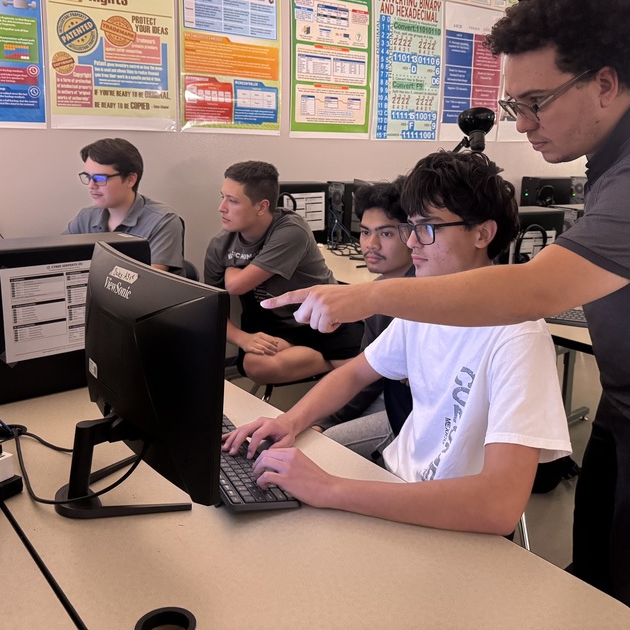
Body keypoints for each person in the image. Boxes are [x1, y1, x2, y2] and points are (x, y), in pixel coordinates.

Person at [263, 0, 630, 630]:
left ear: (604, 81)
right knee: (595, 566)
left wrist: (368, 299)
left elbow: (534, 290)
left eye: (535, 103)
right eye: (515, 104)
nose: (524, 124)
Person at [224, 151, 572, 534]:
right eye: (410, 227)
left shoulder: (517, 335)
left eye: (427, 228)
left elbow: (497, 506)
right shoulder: (425, 306)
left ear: (482, 233)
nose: (412, 242)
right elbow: (355, 373)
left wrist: (331, 488)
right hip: (395, 485)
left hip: (448, 521)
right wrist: (288, 422)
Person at [204, 161, 363, 386]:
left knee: (361, 387)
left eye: (233, 201)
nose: (222, 207)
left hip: (325, 319)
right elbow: (213, 312)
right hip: (279, 327)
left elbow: (236, 286)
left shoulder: (290, 230)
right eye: (223, 197)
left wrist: (231, 271)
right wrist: (244, 339)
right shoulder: (219, 246)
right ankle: (331, 362)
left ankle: (335, 360)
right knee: (254, 364)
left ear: (261, 207)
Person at [315, 179, 414, 458]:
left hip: (414, 407)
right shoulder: (378, 291)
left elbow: (368, 380)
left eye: (385, 234)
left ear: (412, 234)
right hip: (384, 391)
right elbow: (364, 374)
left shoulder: (419, 294)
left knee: (327, 446)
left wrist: (328, 424)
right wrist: (323, 421)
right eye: (365, 232)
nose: (370, 245)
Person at [64, 138, 184, 273]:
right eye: (88, 177)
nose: (91, 185)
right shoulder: (85, 217)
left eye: (100, 178)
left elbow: (149, 282)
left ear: (130, 179)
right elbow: (57, 259)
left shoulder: (162, 221)